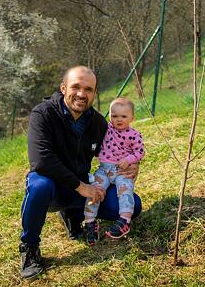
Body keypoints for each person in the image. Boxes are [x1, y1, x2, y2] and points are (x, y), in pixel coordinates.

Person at [19, 66, 142, 279]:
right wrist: (82, 187)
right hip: (53, 189)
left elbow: (118, 149)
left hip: (82, 188)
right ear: (63, 88)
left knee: (134, 205)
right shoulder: (43, 113)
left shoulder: (98, 123)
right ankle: (29, 248)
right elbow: (41, 160)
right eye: (76, 87)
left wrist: (133, 164)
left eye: (88, 89)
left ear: (94, 93)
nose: (81, 94)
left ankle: (73, 215)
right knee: (39, 185)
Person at [84, 97, 144, 245]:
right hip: (104, 170)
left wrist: (129, 160)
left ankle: (124, 220)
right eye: (114, 116)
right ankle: (90, 222)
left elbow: (140, 152)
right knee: (95, 192)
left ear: (132, 117)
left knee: (125, 191)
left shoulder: (133, 135)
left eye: (124, 116)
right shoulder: (106, 128)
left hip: (121, 170)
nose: (119, 120)